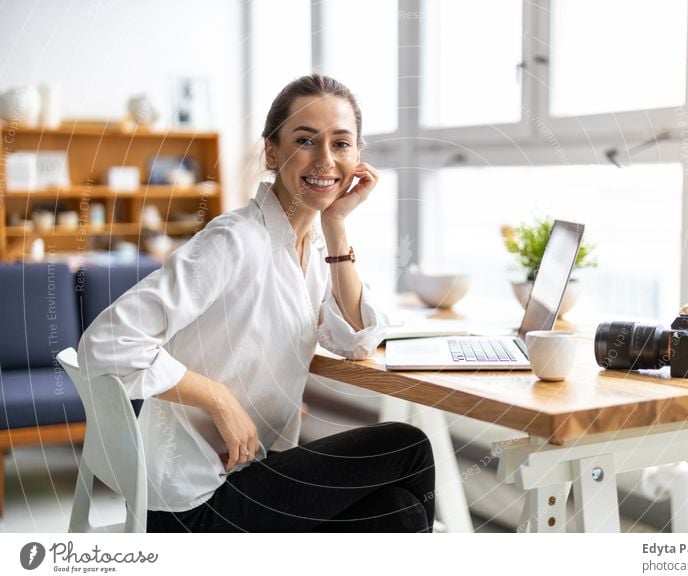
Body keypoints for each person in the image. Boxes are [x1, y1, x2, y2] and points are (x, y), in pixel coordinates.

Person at [77, 74, 435, 533]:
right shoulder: (234, 240)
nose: (326, 159)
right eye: (305, 140)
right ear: (272, 152)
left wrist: (336, 224)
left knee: (401, 513)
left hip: (247, 473)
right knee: (409, 446)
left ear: (358, 157)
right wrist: (219, 399)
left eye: (342, 144)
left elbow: (357, 340)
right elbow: (105, 341)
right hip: (192, 503)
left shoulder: (306, 249)